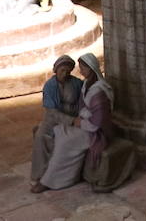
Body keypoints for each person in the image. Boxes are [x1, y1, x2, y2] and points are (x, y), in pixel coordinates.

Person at [34, 53, 117, 191]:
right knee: (58, 131)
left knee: (64, 143)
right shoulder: (85, 85)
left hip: (95, 132)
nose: (80, 71)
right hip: (83, 124)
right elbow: (78, 108)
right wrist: (78, 118)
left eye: (83, 68)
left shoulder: (98, 92)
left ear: (91, 69)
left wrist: (81, 121)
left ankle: (51, 181)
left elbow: (98, 121)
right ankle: (50, 174)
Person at [29, 55, 84, 186]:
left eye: (67, 71)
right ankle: (39, 174)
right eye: (62, 71)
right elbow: (51, 111)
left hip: (73, 117)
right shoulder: (50, 86)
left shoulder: (76, 83)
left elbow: (83, 98)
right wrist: (71, 120)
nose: (65, 74)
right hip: (53, 119)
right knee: (41, 136)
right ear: (56, 71)